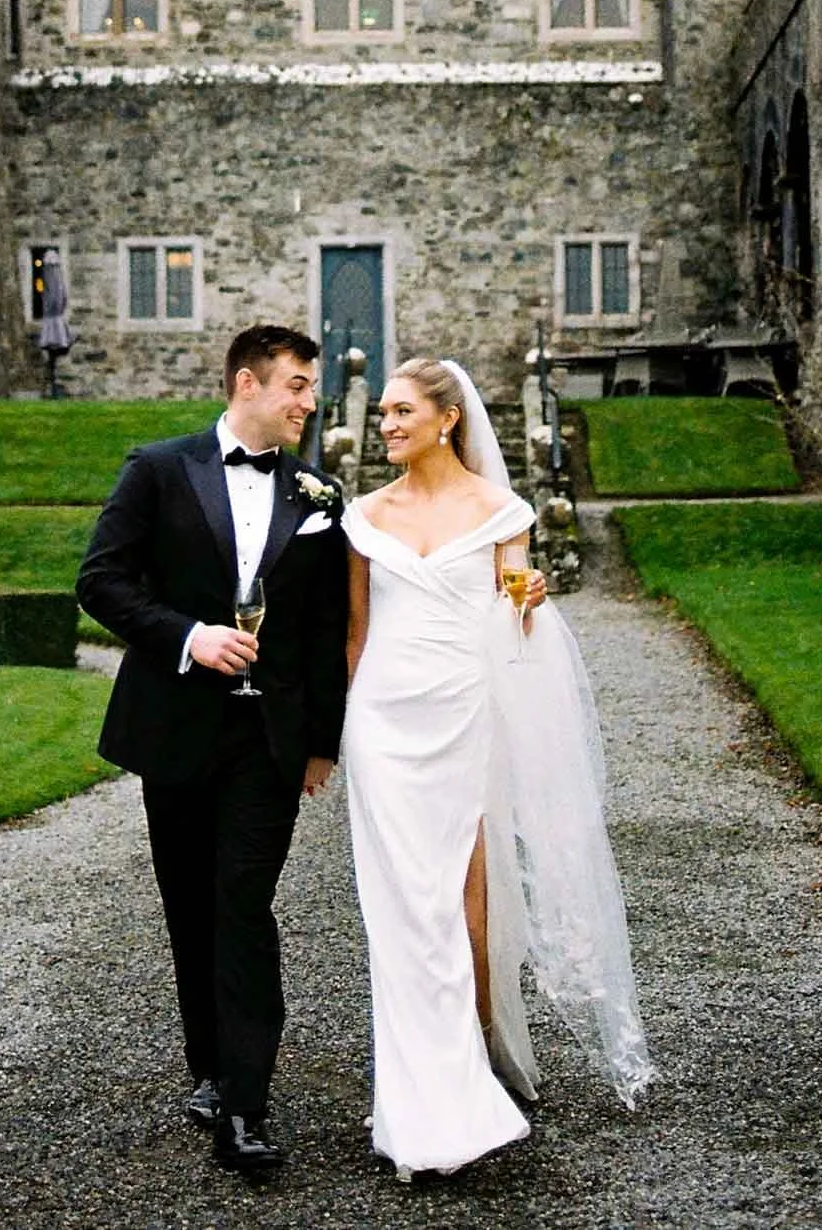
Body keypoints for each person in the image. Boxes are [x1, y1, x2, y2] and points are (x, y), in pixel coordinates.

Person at [342, 356, 654, 1181]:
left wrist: (530, 608)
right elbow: (355, 634)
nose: (387, 425)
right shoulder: (362, 515)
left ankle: (468, 1063)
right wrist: (339, 732)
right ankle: (416, 1101)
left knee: (460, 907)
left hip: (463, 714)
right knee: (399, 910)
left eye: (402, 410)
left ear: (448, 418)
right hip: (381, 722)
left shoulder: (500, 510)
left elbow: (515, 630)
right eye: (382, 414)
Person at [76, 324, 348, 1178]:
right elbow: (103, 581)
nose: (311, 399)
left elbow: (326, 628)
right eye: (298, 384)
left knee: (242, 902)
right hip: (178, 725)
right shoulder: (159, 468)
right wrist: (190, 636)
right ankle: (208, 1066)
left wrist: (322, 742)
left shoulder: (318, 493)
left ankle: (245, 1104)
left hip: (267, 739)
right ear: (247, 384)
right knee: (190, 904)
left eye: (311, 386)